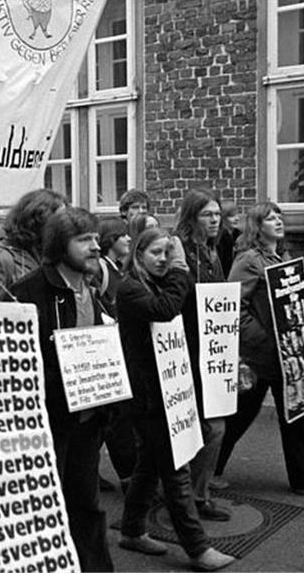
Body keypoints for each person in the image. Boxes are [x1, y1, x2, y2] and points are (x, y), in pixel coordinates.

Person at [115, 228, 235, 572]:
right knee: (175, 469)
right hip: (148, 397)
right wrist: (181, 271)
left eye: (168, 252)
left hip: (162, 392)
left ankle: (132, 530)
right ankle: (197, 549)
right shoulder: (131, 289)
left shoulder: (152, 282)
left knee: (148, 467)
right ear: (138, 253)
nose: (164, 259)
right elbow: (166, 309)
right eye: (156, 252)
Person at [10, 207, 115, 572]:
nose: (95, 247)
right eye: (84, 239)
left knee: (87, 505)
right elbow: (19, 369)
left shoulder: (91, 289)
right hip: (50, 424)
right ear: (59, 244)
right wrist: (69, 376)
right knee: (43, 509)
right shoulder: (28, 295)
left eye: (97, 239)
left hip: (87, 421)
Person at [214, 202, 304, 500]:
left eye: (279, 216)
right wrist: (260, 338)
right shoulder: (248, 260)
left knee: (294, 415)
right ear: (258, 227)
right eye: (270, 218)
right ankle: (209, 470)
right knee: (239, 415)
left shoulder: (282, 256)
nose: (278, 221)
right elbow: (233, 307)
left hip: (287, 353)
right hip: (262, 355)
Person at [174, 189, 229, 521]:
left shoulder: (211, 253)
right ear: (192, 216)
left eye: (218, 215)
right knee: (185, 428)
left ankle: (196, 494)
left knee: (214, 427)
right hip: (183, 352)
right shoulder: (179, 250)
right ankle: (183, 495)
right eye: (208, 214)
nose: (214, 220)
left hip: (209, 354)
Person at [0, 188, 67, 300]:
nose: (63, 228)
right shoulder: (0, 259)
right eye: (58, 221)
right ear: (38, 220)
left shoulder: (52, 257)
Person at [216, 199, 241, 279]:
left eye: (237, 215)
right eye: (232, 216)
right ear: (223, 218)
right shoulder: (219, 238)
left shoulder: (239, 234)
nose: (236, 218)